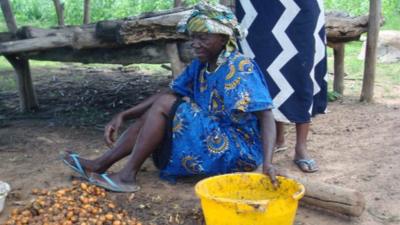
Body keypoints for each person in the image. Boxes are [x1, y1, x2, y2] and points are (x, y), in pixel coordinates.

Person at [62, 2, 278, 192]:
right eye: (193, 38)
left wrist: (267, 163)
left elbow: (266, 116)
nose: (195, 43)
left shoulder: (240, 67)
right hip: (212, 134)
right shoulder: (201, 65)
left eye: (203, 37)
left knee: (165, 105)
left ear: (223, 39)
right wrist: (124, 114)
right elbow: (169, 92)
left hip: (239, 151)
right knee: (160, 106)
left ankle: (126, 176)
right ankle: (101, 164)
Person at [236, 0, 328, 172]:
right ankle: (277, 139)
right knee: (261, 67)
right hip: (259, 6)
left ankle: (301, 148)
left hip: (300, 6)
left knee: (302, 66)